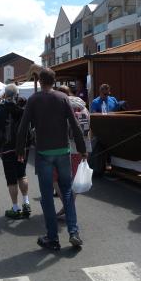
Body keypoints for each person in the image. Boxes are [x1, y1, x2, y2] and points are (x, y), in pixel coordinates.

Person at [16, 68, 87, 250]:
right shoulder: (63, 98)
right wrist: (82, 148)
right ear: (54, 81)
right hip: (63, 151)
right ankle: (73, 232)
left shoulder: (33, 100)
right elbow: (75, 125)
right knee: (68, 192)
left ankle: (52, 237)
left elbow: (23, 127)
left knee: (47, 195)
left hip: (44, 153)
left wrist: (20, 150)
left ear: (40, 81)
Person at [0, 84, 31, 219]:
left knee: (11, 179)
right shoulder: (23, 108)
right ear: (17, 94)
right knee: (22, 174)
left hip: (7, 148)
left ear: (5, 95)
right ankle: (26, 203)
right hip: (23, 147)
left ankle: (15, 208)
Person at [54, 86, 92, 217]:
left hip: (66, 147)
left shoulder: (62, 106)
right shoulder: (83, 106)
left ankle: (67, 207)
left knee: (57, 179)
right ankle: (68, 207)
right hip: (82, 147)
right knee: (74, 180)